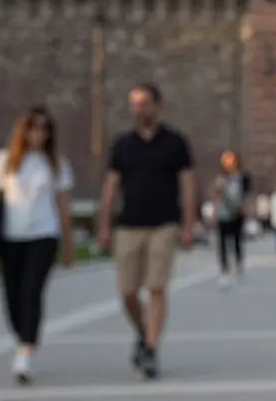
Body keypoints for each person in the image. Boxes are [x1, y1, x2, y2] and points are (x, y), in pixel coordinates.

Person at [96, 83, 196, 380]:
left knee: (156, 287)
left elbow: (188, 185)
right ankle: (143, 330)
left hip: (164, 224)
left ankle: (151, 349)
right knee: (127, 291)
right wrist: (103, 224)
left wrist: (188, 225)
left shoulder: (175, 143)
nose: (138, 109)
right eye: (134, 104)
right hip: (129, 225)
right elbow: (110, 186)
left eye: (144, 103)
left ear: (157, 106)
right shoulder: (123, 145)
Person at [0, 107, 74, 385]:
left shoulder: (55, 163)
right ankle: (22, 336)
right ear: (23, 130)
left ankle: (25, 353)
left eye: (44, 129)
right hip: (11, 238)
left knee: (32, 292)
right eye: (33, 128)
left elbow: (63, 205)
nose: (38, 134)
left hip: (43, 235)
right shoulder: (5, 160)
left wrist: (68, 245)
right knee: (13, 297)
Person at [210, 151, 251, 288]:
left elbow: (246, 194)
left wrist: (244, 208)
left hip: (237, 212)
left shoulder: (242, 178)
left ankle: (238, 265)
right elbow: (214, 195)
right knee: (222, 242)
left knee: (237, 240)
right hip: (223, 213)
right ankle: (224, 269)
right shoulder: (220, 178)